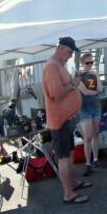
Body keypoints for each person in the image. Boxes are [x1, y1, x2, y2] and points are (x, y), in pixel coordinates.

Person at [42, 36, 90, 204]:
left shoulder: (59, 66)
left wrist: (72, 82)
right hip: (60, 120)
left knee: (69, 154)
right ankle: (68, 193)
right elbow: (56, 94)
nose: (70, 55)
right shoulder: (52, 67)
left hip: (66, 119)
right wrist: (74, 84)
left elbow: (66, 89)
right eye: (69, 52)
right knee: (63, 156)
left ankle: (73, 183)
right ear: (61, 48)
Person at [77, 52, 105, 176]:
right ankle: (88, 163)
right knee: (87, 137)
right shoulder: (77, 76)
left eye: (91, 62)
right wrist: (95, 91)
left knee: (95, 134)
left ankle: (96, 159)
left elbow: (101, 88)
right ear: (82, 63)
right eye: (87, 63)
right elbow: (86, 91)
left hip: (96, 107)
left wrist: (96, 76)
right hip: (85, 109)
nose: (89, 65)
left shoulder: (94, 74)